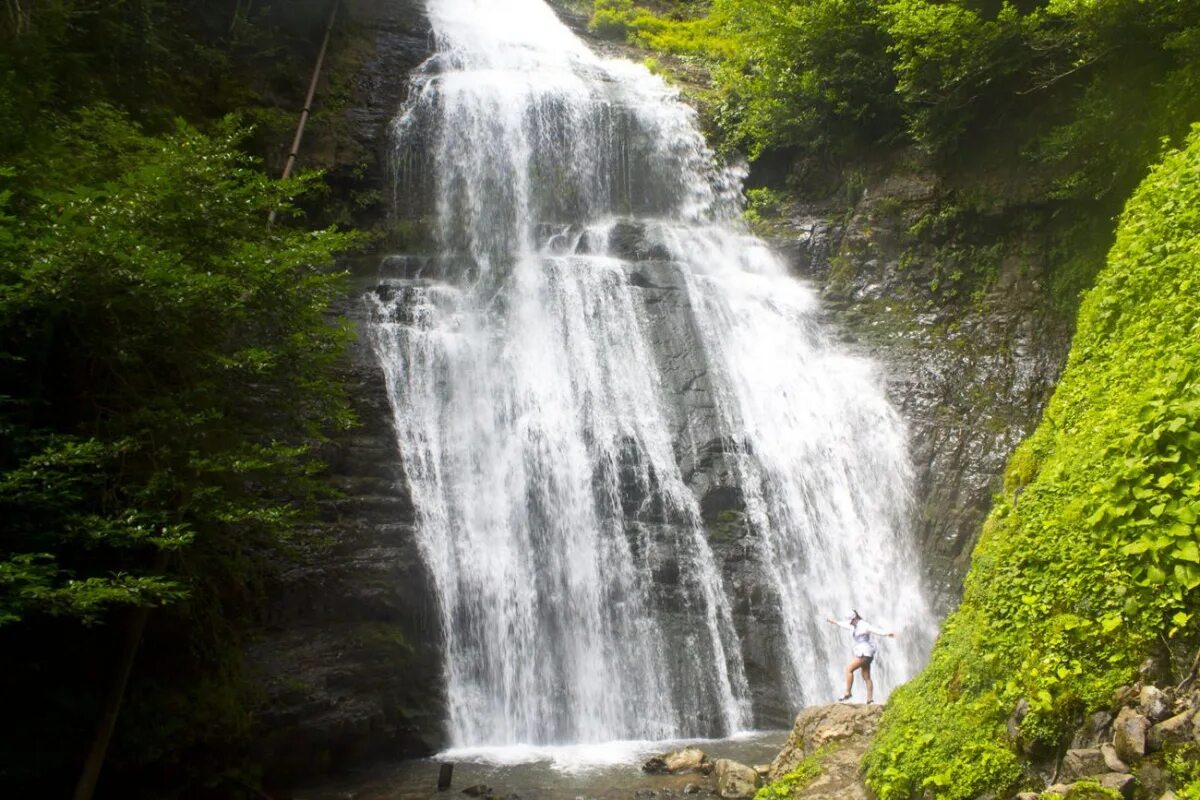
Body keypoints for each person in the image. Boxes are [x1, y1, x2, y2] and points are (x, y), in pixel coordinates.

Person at [826, 609, 895, 704]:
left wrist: (887, 633)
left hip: (864, 653)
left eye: (851, 621)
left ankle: (848, 692)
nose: (850, 623)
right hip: (867, 654)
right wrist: (834, 622)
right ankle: (869, 699)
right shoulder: (853, 625)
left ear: (855, 618)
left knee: (849, 669)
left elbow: (875, 630)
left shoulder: (863, 625)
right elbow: (844, 625)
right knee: (866, 676)